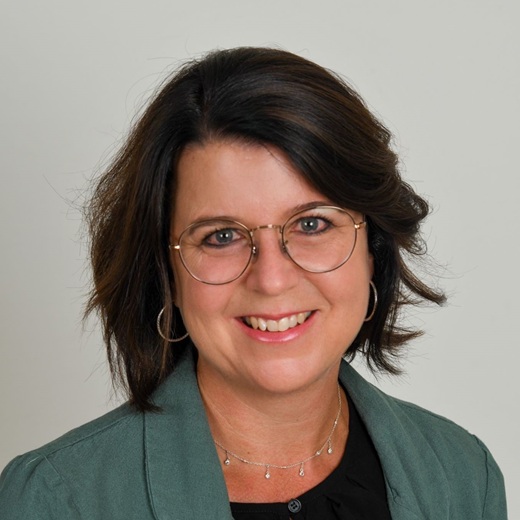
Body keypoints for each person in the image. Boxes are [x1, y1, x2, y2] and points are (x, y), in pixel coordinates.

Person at [0, 47, 507, 519]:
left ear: (373, 249)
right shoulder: (58, 499)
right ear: (166, 272)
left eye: (312, 224)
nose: (271, 279)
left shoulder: (464, 476)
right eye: (221, 236)